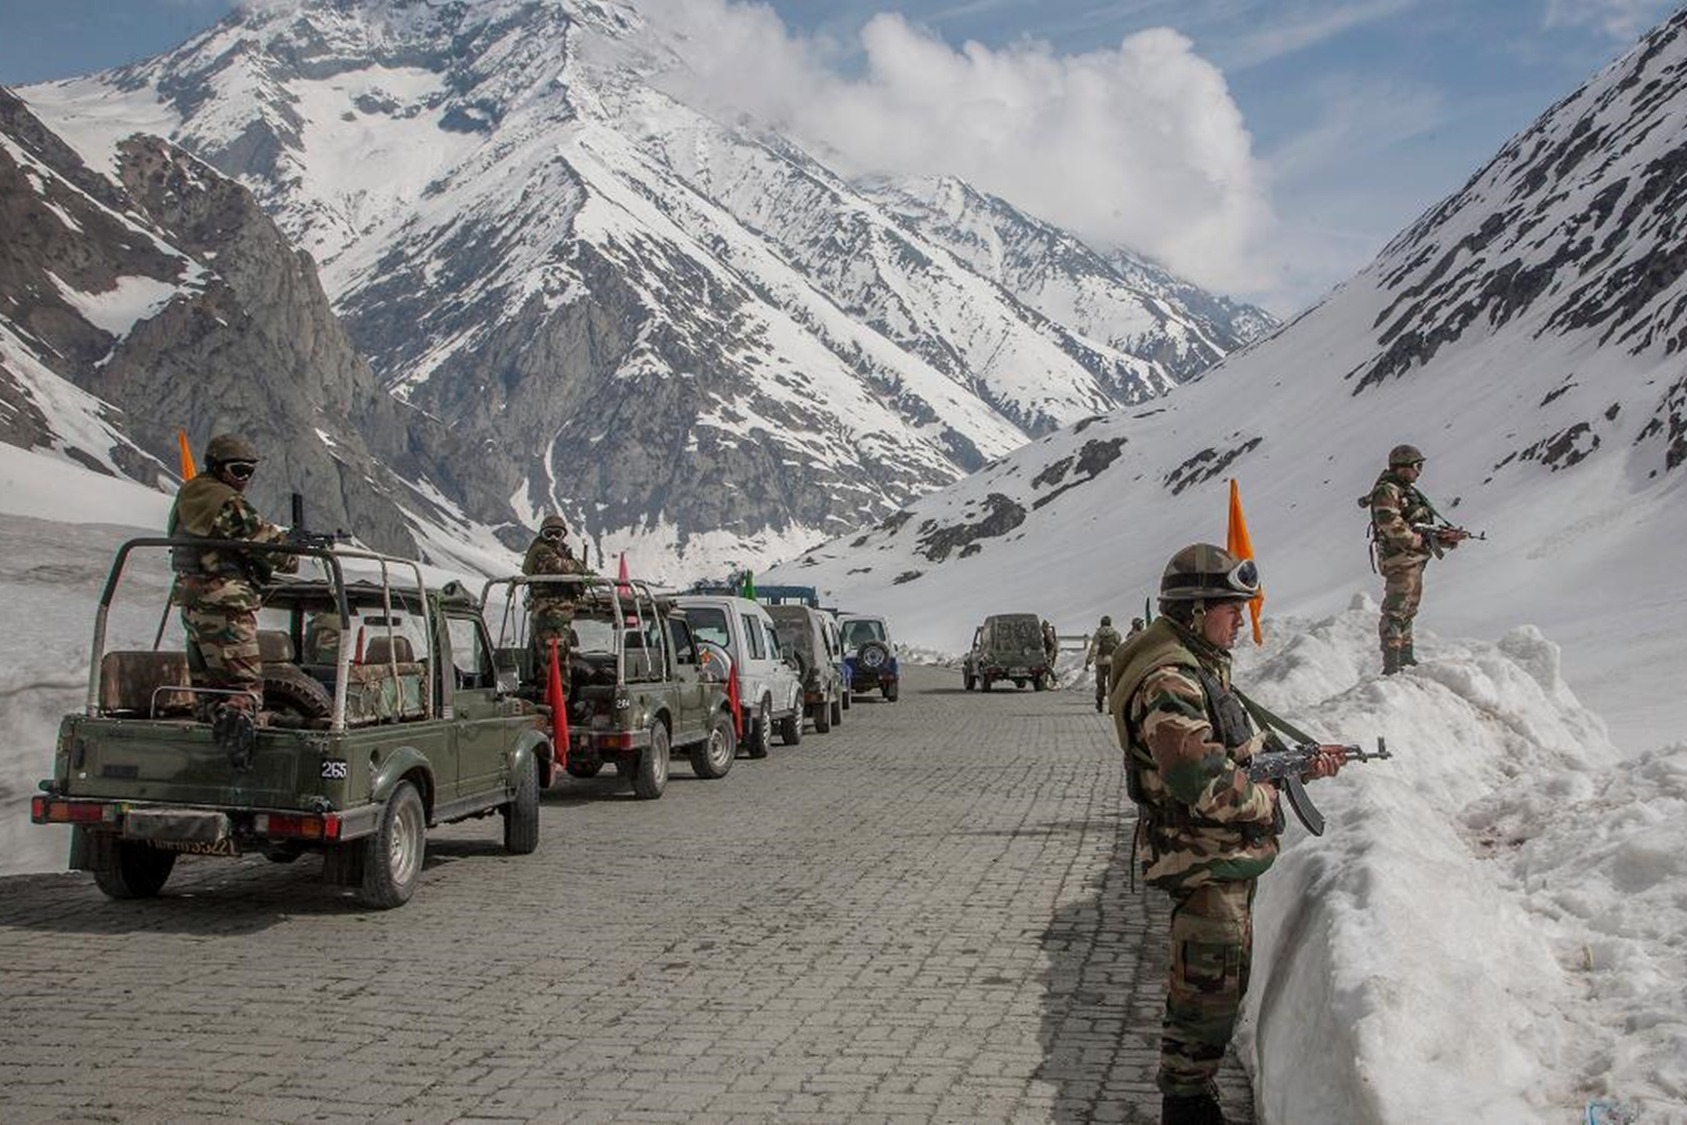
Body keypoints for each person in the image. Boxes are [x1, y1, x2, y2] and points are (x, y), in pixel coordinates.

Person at [1109, 544, 1344, 1125]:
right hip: (1202, 860)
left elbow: (1228, 747)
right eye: (1230, 609)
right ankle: (1186, 1105)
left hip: (1216, 857)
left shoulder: (1197, 664)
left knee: (1217, 983)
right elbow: (1196, 775)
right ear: (1195, 611)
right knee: (1204, 992)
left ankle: (1194, 1092)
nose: (1240, 620)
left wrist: (1293, 762)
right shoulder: (1172, 677)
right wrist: (1264, 796)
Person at [167, 433, 297, 744]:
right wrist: (291, 548)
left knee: (209, 695)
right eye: (239, 471)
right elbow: (275, 553)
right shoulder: (227, 502)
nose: (245, 479)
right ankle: (241, 767)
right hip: (227, 605)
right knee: (244, 690)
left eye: (250, 471)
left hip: (192, 603)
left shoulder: (190, 495)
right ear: (217, 468)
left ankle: (204, 758)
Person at [1365, 444, 1466, 675]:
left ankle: (1406, 658)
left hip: (1411, 560)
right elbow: (1391, 524)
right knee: (1395, 612)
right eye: (1416, 466)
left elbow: (1417, 525)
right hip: (1399, 560)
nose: (1419, 472)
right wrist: (1419, 541)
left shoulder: (1407, 492)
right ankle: (1391, 664)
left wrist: (1443, 538)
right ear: (1402, 468)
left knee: (1408, 611)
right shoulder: (1388, 491)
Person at [522, 514, 591, 690]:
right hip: (550, 613)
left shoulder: (560, 551)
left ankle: (557, 700)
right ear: (542, 535)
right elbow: (561, 567)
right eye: (549, 534)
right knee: (554, 661)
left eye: (557, 534)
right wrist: (579, 566)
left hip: (557, 614)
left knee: (557, 659)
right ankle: (557, 703)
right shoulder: (541, 551)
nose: (553, 538)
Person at [1083, 615, 1123, 713]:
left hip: (1100, 662)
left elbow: (1094, 649)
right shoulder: (1116, 634)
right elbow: (1120, 649)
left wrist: (1089, 661)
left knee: (1100, 684)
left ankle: (1099, 703)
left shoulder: (1098, 634)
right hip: (1112, 662)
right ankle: (1111, 706)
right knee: (1111, 684)